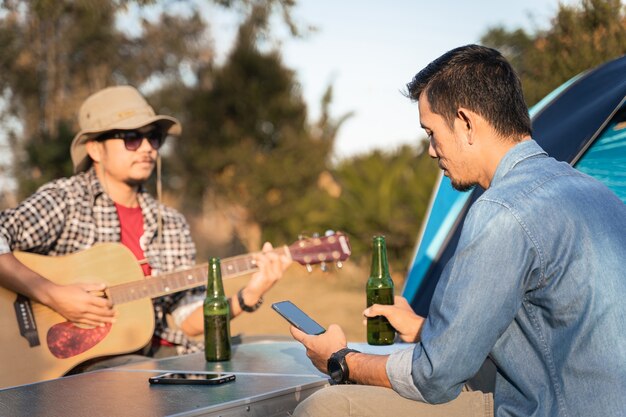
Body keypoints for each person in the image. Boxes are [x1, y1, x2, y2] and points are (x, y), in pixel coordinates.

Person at [289, 44, 626, 417]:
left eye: (431, 132)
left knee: (324, 408)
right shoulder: (599, 195)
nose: (432, 151)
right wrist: (422, 328)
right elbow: (553, 334)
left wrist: (341, 359)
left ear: (466, 123)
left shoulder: (502, 211)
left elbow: (434, 376)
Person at [0, 85, 290, 362]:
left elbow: (187, 321)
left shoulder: (171, 224)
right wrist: (53, 295)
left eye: (153, 137)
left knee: (273, 355)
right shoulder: (66, 200)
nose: (147, 148)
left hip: (157, 359)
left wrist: (249, 294)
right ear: (95, 150)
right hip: (84, 366)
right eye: (131, 137)